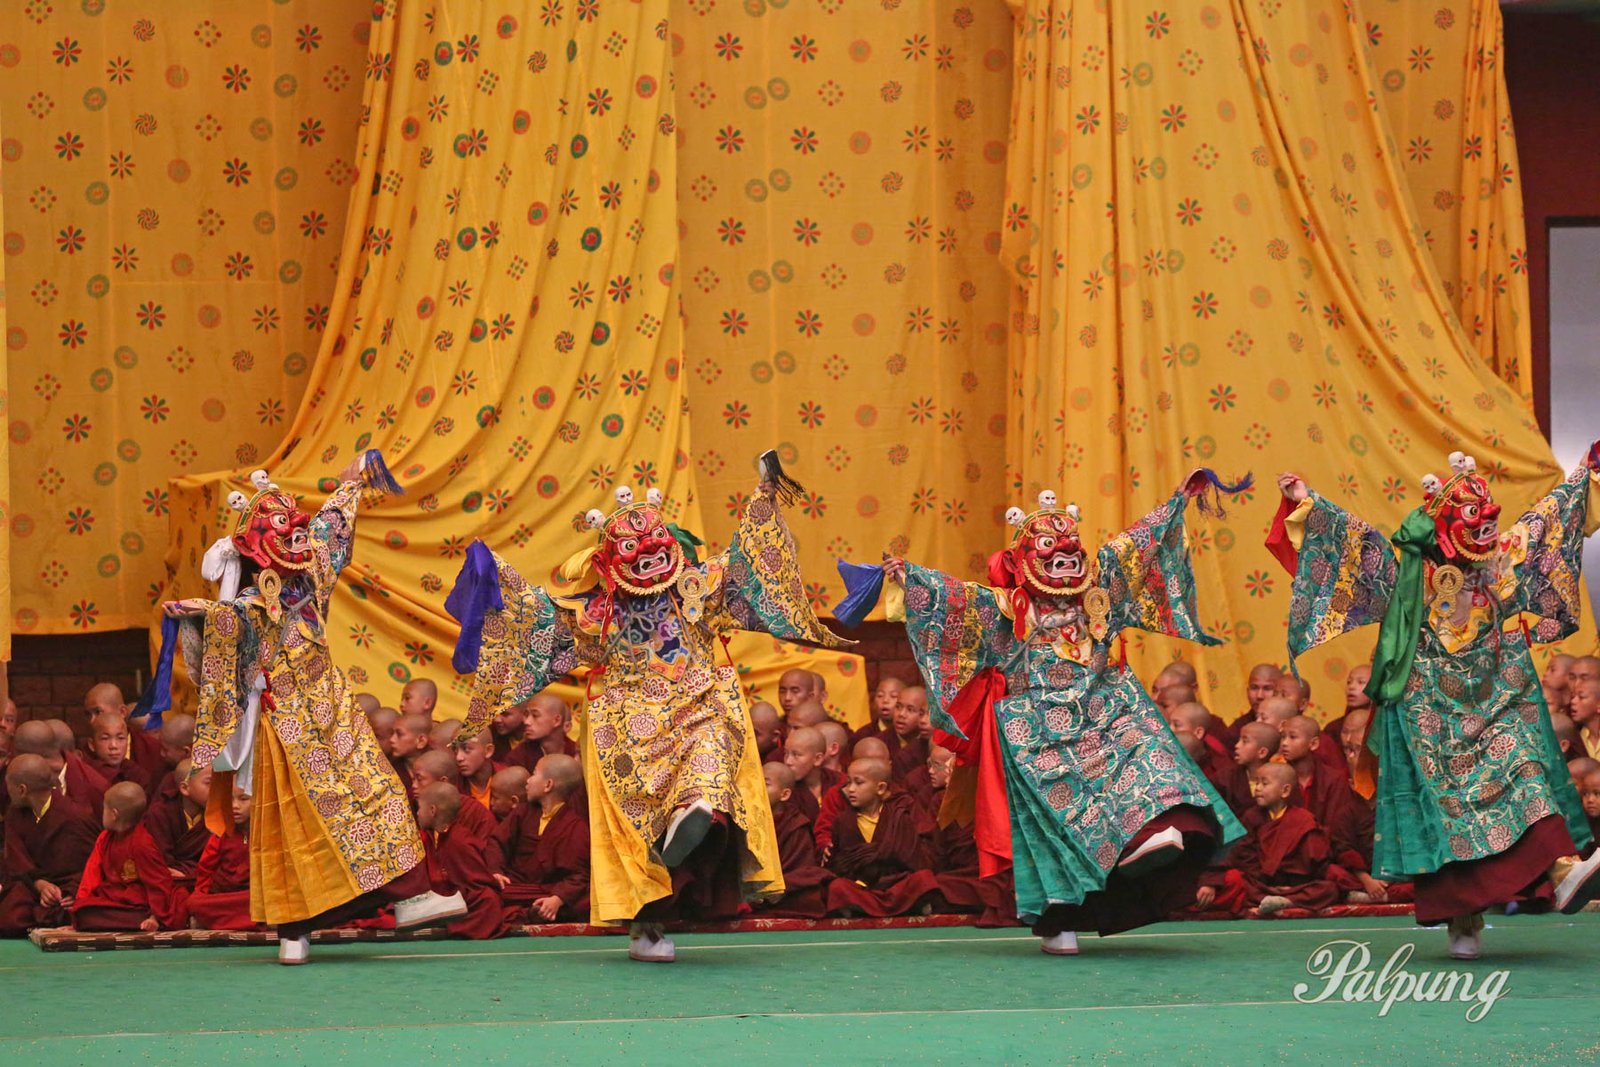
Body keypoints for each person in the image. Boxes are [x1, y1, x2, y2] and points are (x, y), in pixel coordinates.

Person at [450, 454, 847, 963]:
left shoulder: (698, 587)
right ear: (609, 560)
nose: (649, 554)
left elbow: (748, 559)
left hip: (697, 704)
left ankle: (694, 812)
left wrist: (764, 496)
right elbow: (537, 619)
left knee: (709, 763)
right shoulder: (598, 612)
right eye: (632, 548)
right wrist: (494, 573)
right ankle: (647, 921)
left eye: (655, 541)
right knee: (637, 833)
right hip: (629, 727)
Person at [884, 472, 1248, 955]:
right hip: (1036, 732)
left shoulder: (1100, 588)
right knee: (1052, 827)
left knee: (1153, 764)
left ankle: (1159, 835)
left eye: (1071, 545)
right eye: (1049, 548)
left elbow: (1138, 545)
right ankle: (1059, 920)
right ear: (1023, 559)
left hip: (1105, 713)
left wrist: (1178, 500)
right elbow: (954, 601)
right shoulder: (1005, 608)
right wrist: (909, 579)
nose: (1065, 554)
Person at [1269, 452, 1600, 958]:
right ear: (1444, 526)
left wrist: (1586, 473)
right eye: (1472, 517)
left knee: (1526, 768)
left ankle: (1561, 870)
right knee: (1448, 816)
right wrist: (1307, 504)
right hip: (1432, 718)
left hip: (1496, 703)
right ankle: (1463, 919)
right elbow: (1354, 545)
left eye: (1488, 514)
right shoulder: (1409, 574)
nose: (1487, 524)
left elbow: (1548, 517)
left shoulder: (1501, 558)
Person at [162, 457, 460, 964]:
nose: (298, 535)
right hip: (291, 727)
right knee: (314, 819)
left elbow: (328, 528)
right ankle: (323, 921)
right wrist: (202, 615)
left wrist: (349, 486)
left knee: (362, 804)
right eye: (284, 529)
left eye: (296, 526)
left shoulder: (309, 575)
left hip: (330, 717)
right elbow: (234, 620)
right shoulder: (253, 602)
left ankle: (326, 923)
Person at [1197, 763, 1341, 916]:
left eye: (1264, 783)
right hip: (1259, 884)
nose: (1257, 788)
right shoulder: (1252, 817)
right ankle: (1286, 901)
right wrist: (1210, 881)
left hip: (1296, 886)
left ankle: (1286, 901)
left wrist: (1295, 882)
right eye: (1256, 782)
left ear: (1285, 791)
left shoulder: (1303, 819)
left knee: (1329, 889)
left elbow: (1316, 860)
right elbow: (1235, 851)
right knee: (1237, 881)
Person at [824, 758, 941, 917]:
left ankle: (860, 907)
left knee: (923, 879)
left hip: (895, 882)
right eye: (849, 783)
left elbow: (914, 859)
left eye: (858, 783)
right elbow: (840, 864)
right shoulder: (843, 821)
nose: (850, 789)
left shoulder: (898, 817)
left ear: (880, 788)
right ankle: (908, 905)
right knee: (837, 887)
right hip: (862, 885)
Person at [1, 754, 101, 935]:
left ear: (22, 790)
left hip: (65, 890)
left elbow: (93, 864)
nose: (7, 791)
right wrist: (39, 884)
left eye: (8, 786)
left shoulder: (75, 817)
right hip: (30, 886)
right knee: (11, 915)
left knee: (82, 909)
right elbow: (15, 860)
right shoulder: (15, 813)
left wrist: (70, 891)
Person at [71, 783, 183, 932]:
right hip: (114, 898)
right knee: (83, 912)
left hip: (140, 904)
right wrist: (81, 902)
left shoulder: (141, 843)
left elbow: (158, 882)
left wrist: (155, 916)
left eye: (104, 808)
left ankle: (149, 921)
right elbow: (92, 874)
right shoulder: (105, 838)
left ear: (114, 814)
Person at [493, 754, 590, 922]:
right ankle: (532, 913)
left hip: (548, 890)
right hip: (514, 887)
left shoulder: (575, 826)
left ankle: (533, 912)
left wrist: (558, 899)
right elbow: (497, 843)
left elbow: (579, 875)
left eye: (534, 774)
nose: (528, 781)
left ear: (548, 785)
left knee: (586, 901)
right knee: (486, 892)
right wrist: (495, 871)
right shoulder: (522, 813)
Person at [415, 782, 509, 940]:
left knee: (488, 900)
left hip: (456, 898)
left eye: (419, 808)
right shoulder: (426, 837)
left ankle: (447, 922)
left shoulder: (460, 840)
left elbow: (477, 882)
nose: (417, 813)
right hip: (431, 896)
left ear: (432, 810)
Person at [751, 762, 833, 918]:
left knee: (812, 895)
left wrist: (771, 887)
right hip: (750, 886)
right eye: (755, 781)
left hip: (783, 889)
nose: (757, 787)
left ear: (784, 795)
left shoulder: (795, 824)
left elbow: (800, 870)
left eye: (766, 784)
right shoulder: (746, 817)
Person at [187, 790, 256, 930]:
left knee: (272, 901)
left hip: (254, 894)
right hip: (224, 895)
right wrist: (201, 894)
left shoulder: (267, 832)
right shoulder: (221, 833)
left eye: (243, 799)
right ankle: (258, 921)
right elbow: (206, 870)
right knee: (193, 903)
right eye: (230, 800)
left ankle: (214, 921)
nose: (235, 806)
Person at [143, 758, 211, 878]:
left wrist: (188, 872)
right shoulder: (160, 814)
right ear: (185, 788)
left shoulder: (220, 814)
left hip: (203, 878)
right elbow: (161, 860)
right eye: (209, 783)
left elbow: (221, 861)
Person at [782, 726, 838, 822]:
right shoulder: (783, 789)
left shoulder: (839, 782)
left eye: (796, 755)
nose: (788, 761)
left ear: (817, 759)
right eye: (786, 753)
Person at [851, 676, 904, 749]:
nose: (885, 700)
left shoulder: (911, 733)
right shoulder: (863, 735)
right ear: (874, 702)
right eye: (880, 696)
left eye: (893, 696)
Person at [453, 726, 497, 809]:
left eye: (466, 749)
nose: (458, 757)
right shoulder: (453, 785)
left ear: (488, 751)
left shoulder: (507, 779)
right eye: (455, 750)